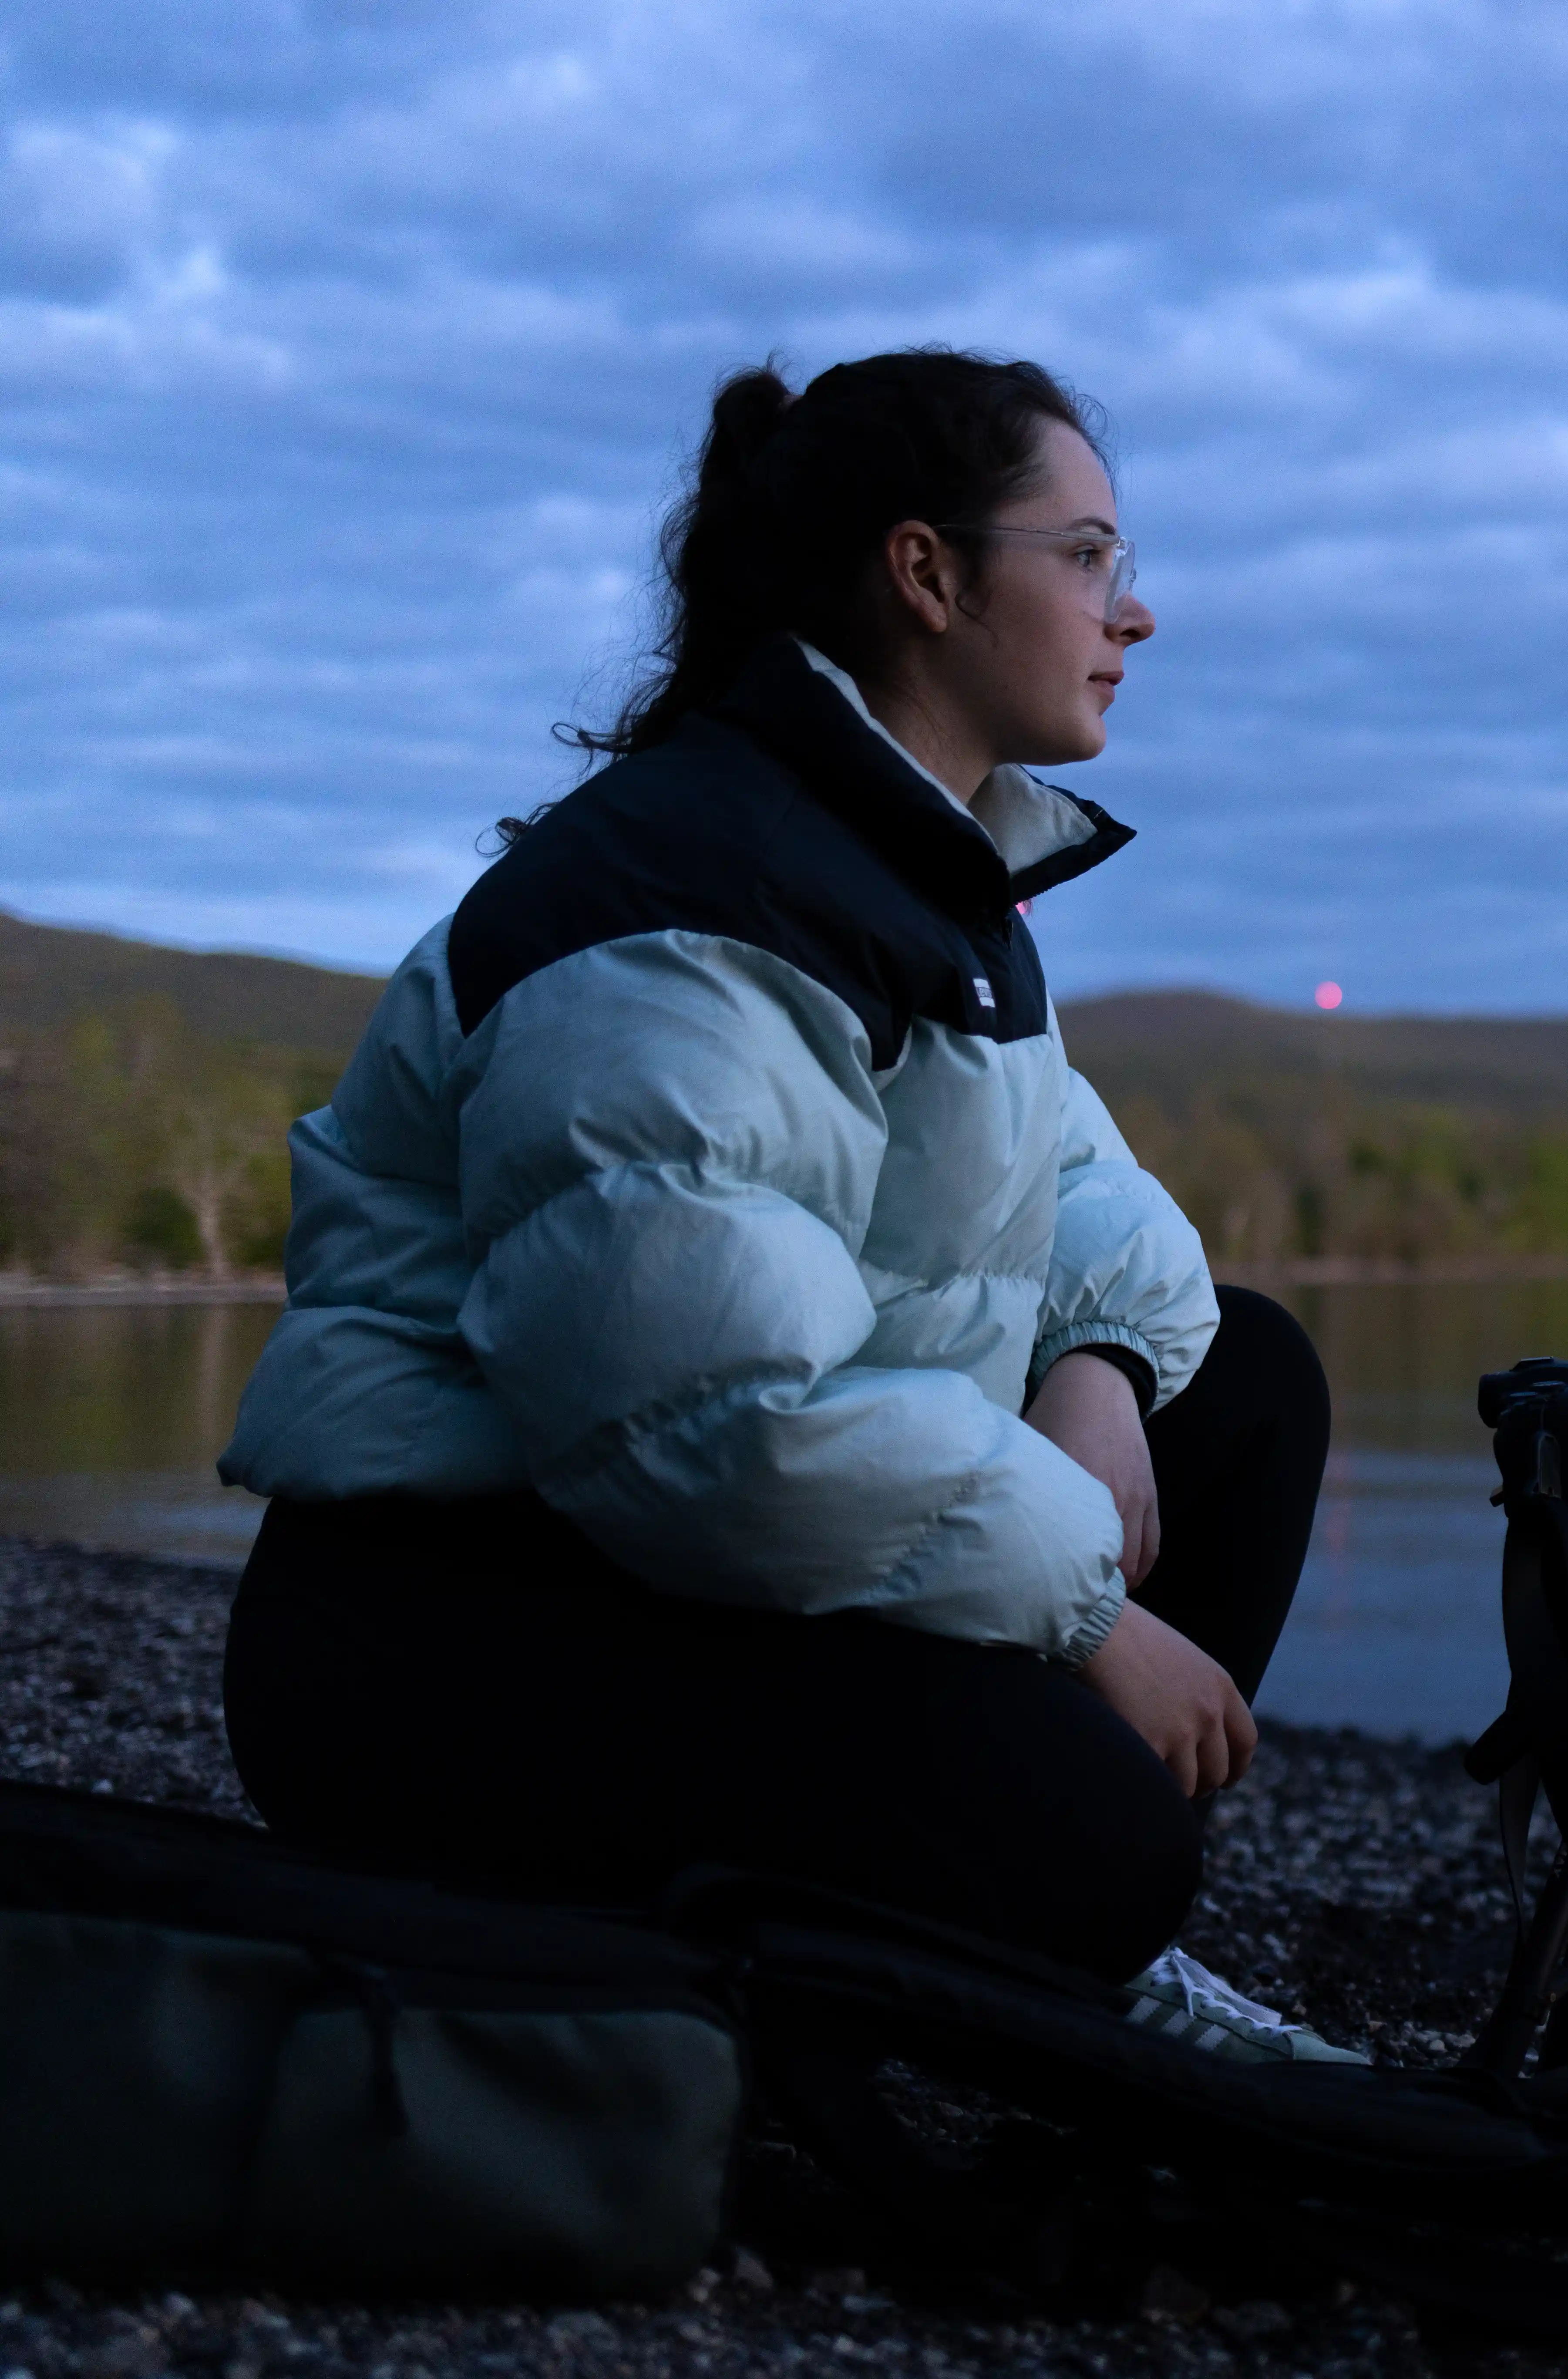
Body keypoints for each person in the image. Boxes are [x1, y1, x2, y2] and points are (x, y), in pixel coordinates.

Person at [217, 349, 1360, 2062]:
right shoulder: (678, 911)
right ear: (927, 573)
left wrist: (1099, 1371)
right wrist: (1091, 1612)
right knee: (1105, 1849)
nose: (1134, 613)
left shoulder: (918, 881)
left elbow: (1095, 1199)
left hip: (656, 1574)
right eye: (1088, 555)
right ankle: (968, 1959)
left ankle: (1006, 1947)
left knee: (1242, 1378)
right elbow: (713, 1428)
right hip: (451, 1629)